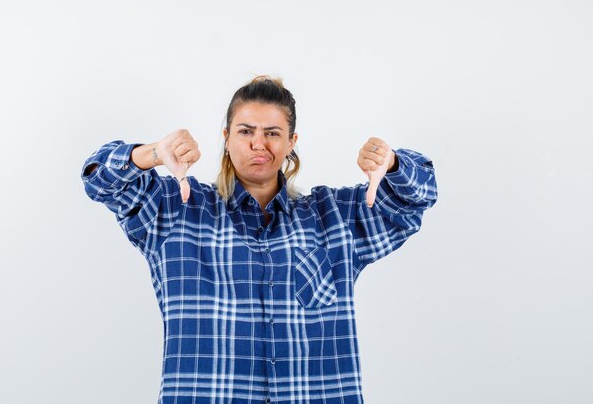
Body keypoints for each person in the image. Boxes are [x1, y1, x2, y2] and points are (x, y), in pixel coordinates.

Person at [80, 75, 438, 404]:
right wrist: (155, 153)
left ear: (291, 142)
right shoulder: (175, 211)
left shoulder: (333, 218)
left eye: (272, 133)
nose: (258, 144)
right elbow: (99, 178)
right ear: (226, 137)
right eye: (246, 131)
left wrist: (391, 165)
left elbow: (413, 201)